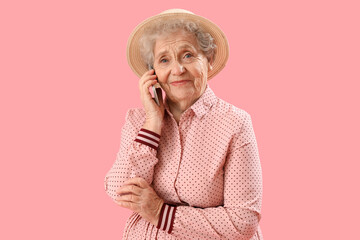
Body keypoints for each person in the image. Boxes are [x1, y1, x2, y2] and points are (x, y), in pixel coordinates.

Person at [104, 9, 263, 240]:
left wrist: (160, 212)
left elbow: (242, 222)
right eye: (164, 60)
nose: (177, 70)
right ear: (153, 73)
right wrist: (153, 123)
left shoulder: (234, 123)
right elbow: (120, 191)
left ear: (208, 60)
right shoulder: (138, 121)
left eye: (188, 55)